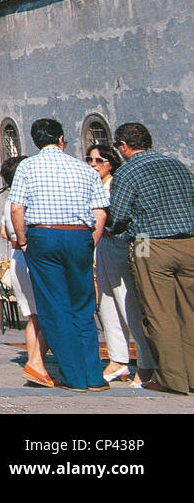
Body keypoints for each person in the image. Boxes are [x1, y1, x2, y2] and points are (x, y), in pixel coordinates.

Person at [8, 118, 109, 392]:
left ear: (35, 141)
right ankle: (94, 375)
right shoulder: (84, 168)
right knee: (83, 304)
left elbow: (17, 207)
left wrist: (24, 240)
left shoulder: (27, 166)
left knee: (54, 306)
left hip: (44, 235)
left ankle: (75, 376)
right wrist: (91, 241)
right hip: (79, 235)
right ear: (62, 139)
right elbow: (100, 211)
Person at [108, 122, 194, 394]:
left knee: (159, 313)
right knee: (189, 312)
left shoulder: (127, 172)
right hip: (190, 241)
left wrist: (118, 234)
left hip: (149, 243)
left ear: (123, 146)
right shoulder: (178, 165)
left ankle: (172, 379)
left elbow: (118, 216)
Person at [90, 141, 154, 385]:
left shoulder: (117, 182)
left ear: (110, 162)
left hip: (119, 243)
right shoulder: (96, 184)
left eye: (99, 160)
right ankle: (118, 359)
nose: (93, 164)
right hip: (103, 245)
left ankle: (147, 362)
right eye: (90, 159)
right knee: (107, 303)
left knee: (127, 302)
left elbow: (120, 216)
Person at [0, 155, 51, 387]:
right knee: (46, 313)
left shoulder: (8, 200)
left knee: (33, 316)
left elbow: (2, 232)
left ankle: (34, 362)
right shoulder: (26, 199)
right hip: (31, 254)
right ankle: (37, 364)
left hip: (16, 256)